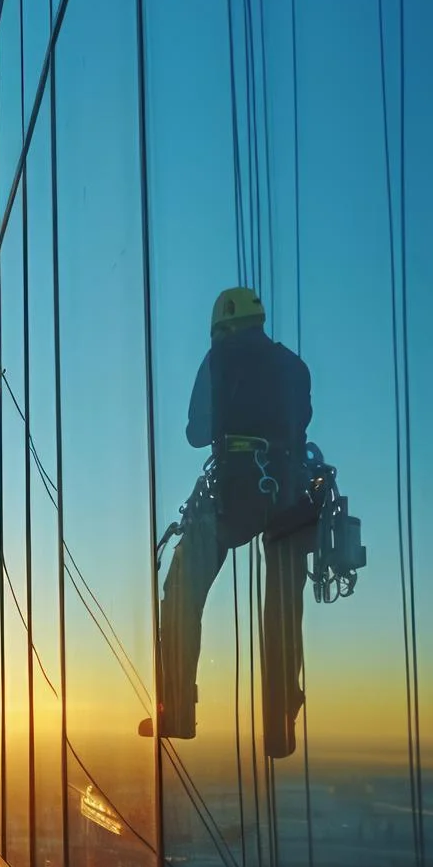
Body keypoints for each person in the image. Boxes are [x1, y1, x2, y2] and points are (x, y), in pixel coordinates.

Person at [145, 286, 313, 758]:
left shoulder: (219, 358)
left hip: (236, 490)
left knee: (182, 590)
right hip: (288, 490)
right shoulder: (294, 366)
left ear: (221, 327)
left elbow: (197, 432)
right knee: (283, 609)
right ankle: (280, 723)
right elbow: (300, 423)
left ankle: (177, 709)